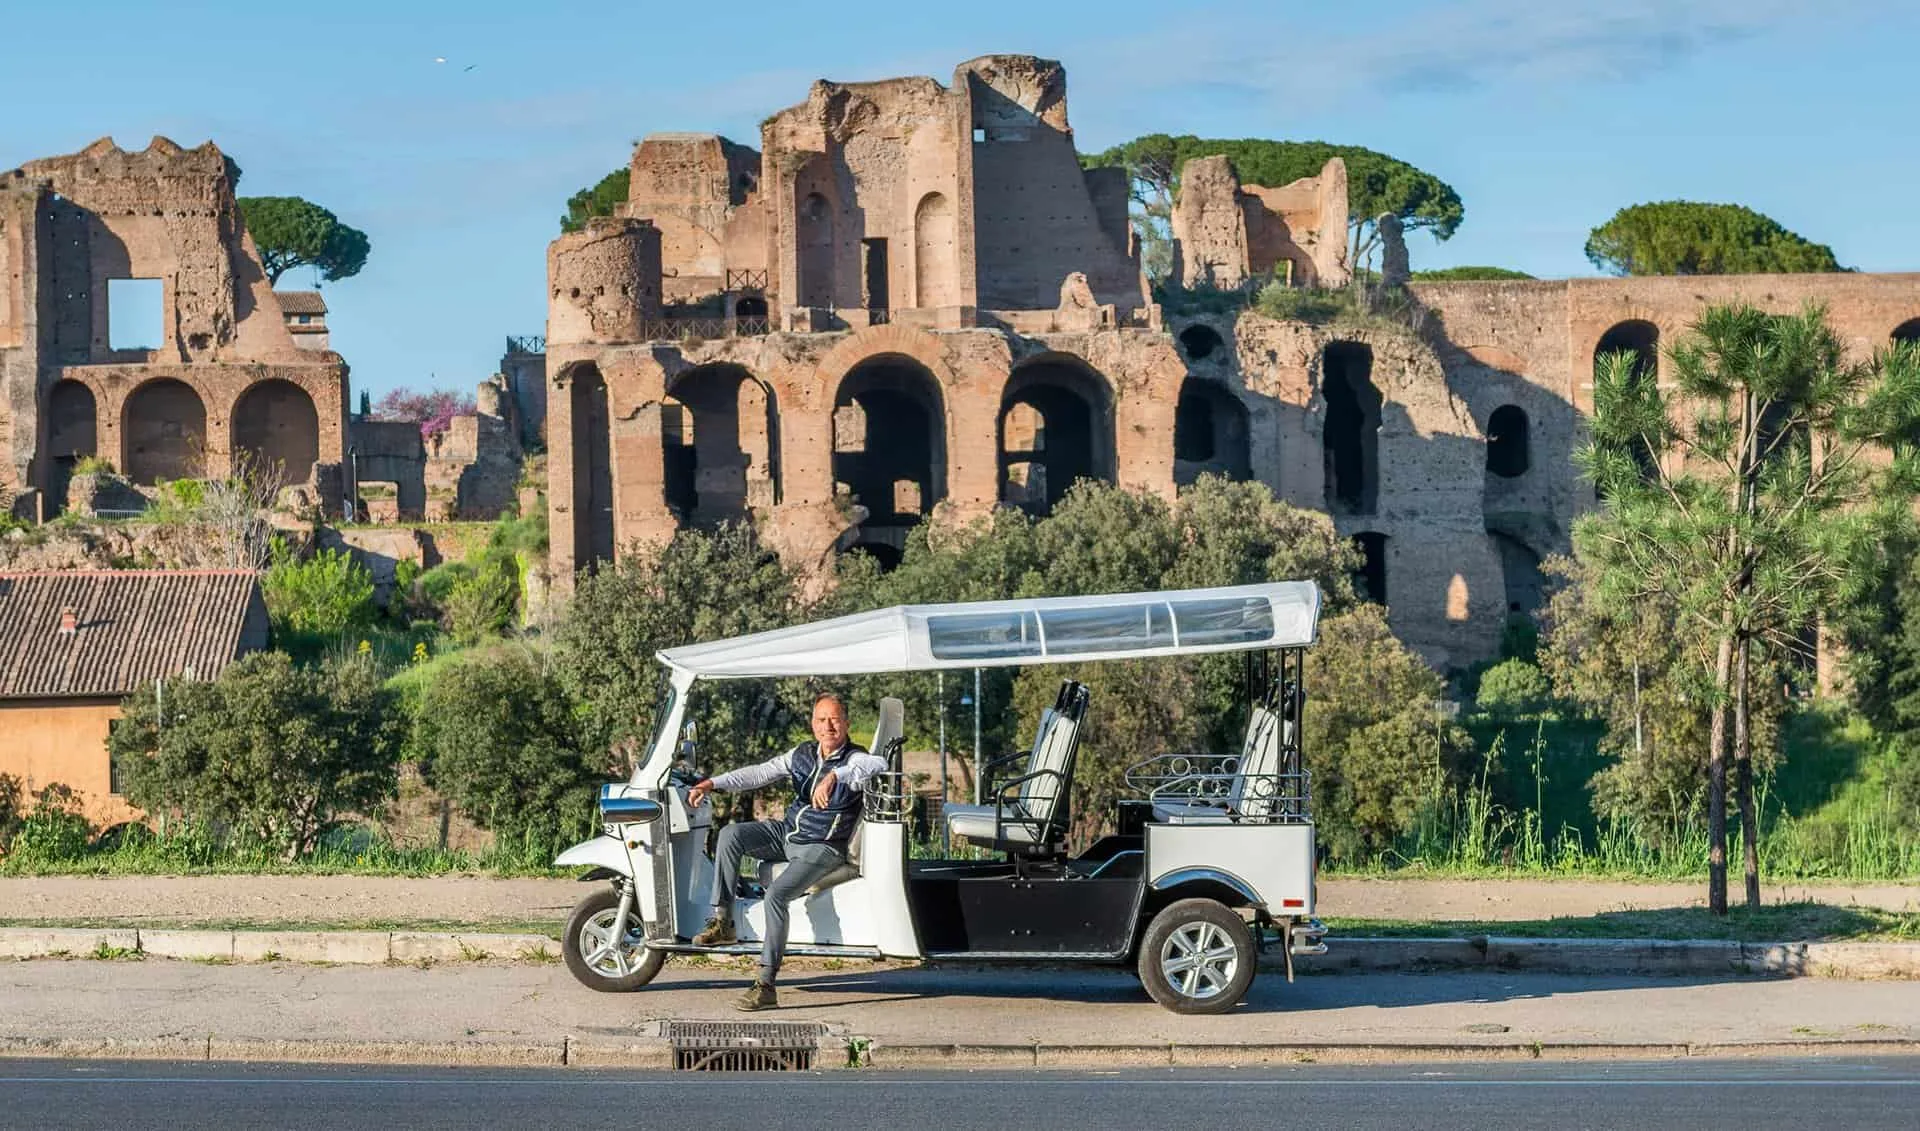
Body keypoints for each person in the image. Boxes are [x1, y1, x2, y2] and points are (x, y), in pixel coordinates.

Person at [685, 693, 887, 1011]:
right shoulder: (802, 754)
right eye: (821, 719)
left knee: (776, 895)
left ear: (846, 722)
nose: (828, 726)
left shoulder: (856, 759)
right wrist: (711, 783)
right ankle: (722, 921)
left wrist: (835, 775)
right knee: (731, 834)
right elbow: (759, 773)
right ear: (813, 724)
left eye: (835, 719)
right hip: (788, 833)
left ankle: (765, 985)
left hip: (823, 846)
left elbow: (879, 763)